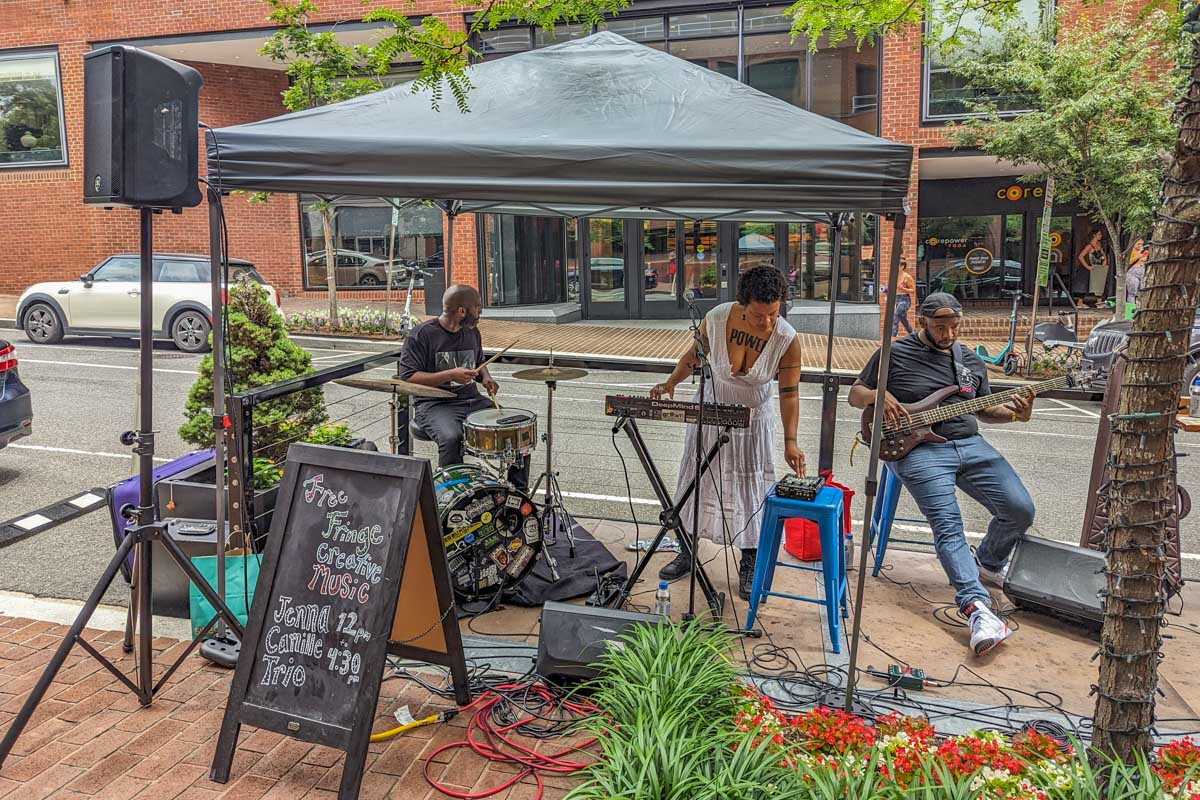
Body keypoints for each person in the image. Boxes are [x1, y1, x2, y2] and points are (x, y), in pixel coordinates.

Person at [847, 292, 1035, 657]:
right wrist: (876, 396)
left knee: (1020, 508)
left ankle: (987, 563)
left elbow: (984, 409)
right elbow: (855, 394)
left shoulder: (969, 361)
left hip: (969, 444)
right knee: (949, 525)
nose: (948, 334)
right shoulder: (895, 353)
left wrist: (1016, 414)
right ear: (922, 322)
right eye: (939, 327)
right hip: (917, 449)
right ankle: (977, 609)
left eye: (953, 327)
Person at [650, 265, 806, 600]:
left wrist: (791, 442)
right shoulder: (718, 317)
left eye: (773, 313)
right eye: (757, 314)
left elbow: (789, 394)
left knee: (751, 491)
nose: (766, 321)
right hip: (711, 409)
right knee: (697, 481)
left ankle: (750, 562)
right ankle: (686, 551)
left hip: (753, 422)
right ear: (742, 304)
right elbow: (693, 357)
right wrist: (670, 383)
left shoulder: (786, 339)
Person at [399, 284, 529, 489]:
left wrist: (486, 378)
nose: (480, 313)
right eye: (477, 308)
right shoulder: (421, 335)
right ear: (462, 311)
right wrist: (451, 374)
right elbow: (407, 377)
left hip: (472, 400)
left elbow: (479, 363)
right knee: (452, 438)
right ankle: (450, 496)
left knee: (514, 430)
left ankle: (518, 495)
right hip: (434, 404)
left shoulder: (471, 332)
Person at [884, 260, 916, 336]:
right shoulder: (894, 276)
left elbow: (913, 290)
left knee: (895, 315)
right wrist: (886, 290)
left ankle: (892, 336)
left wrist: (904, 289)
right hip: (896, 298)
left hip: (904, 299)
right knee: (903, 318)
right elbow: (890, 288)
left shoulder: (907, 277)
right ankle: (912, 333)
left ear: (902, 266)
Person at [1077, 230, 1109, 305]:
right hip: (1092, 267)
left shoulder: (1099, 244)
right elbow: (1080, 256)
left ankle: (1099, 302)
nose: (1101, 235)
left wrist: (1105, 261)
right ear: (1094, 235)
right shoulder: (1089, 246)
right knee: (1087, 284)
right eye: (1099, 234)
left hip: (1099, 267)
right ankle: (1080, 302)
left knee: (1099, 284)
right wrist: (1087, 266)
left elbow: (1103, 254)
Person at [1124, 239, 1148, 317]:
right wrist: (1138, 256)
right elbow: (1127, 262)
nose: (1140, 246)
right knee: (1132, 293)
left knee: (1142, 292)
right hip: (1132, 273)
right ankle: (1129, 314)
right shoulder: (1129, 253)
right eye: (1138, 244)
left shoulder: (1144, 252)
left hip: (1142, 273)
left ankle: (1140, 312)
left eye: (1142, 244)